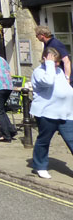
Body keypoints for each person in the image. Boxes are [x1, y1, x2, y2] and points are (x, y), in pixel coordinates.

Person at [30, 46, 73, 179]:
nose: (56, 64)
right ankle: (40, 166)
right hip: (47, 113)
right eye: (53, 61)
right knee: (44, 140)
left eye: (57, 61)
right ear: (45, 59)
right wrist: (49, 64)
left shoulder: (59, 71)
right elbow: (48, 82)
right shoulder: (39, 72)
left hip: (65, 112)